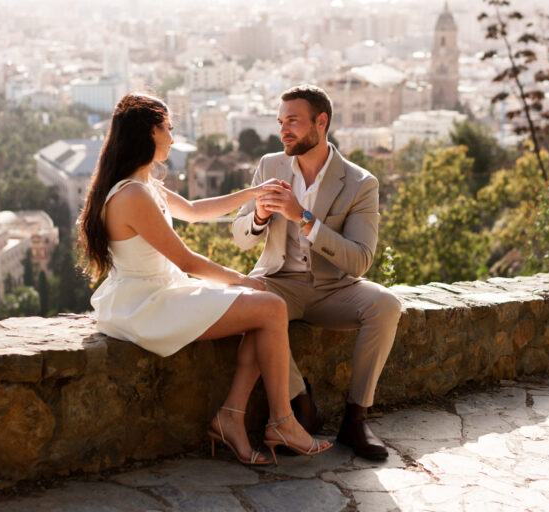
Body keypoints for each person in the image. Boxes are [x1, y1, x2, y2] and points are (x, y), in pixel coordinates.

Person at [78, 92, 331, 465]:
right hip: (150, 305)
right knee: (270, 306)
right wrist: (241, 280)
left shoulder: (140, 185)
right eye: (169, 128)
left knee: (264, 312)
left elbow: (195, 211)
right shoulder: (132, 194)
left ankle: (235, 418)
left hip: (156, 295)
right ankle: (280, 421)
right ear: (150, 133)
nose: (173, 138)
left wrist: (255, 192)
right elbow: (185, 261)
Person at [232, 85, 401, 460]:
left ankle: (356, 419)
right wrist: (258, 217)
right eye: (281, 121)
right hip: (277, 283)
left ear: (320, 122)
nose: (284, 130)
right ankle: (300, 403)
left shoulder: (360, 183)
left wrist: (304, 219)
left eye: (293, 120)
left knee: (387, 304)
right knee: (246, 300)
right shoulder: (270, 165)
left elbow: (359, 261)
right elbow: (240, 238)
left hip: (333, 289)